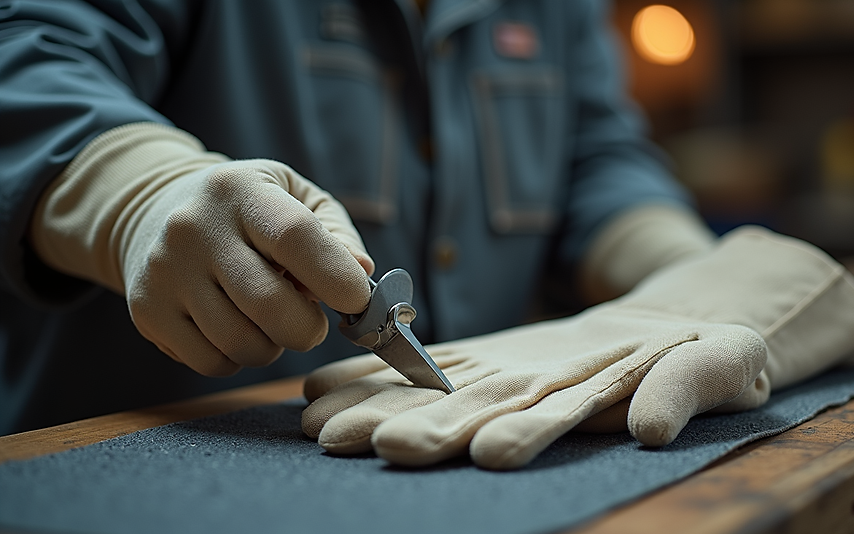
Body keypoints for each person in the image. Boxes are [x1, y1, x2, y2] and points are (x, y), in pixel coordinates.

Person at [0, 0, 716, 435]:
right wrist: (134, 194)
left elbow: (593, 156)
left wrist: (691, 278)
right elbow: (26, 58)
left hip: (461, 489)